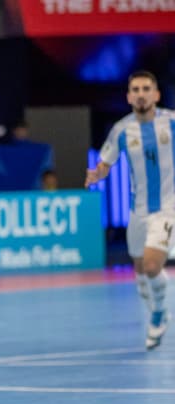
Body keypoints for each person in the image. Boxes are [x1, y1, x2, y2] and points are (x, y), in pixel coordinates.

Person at [85, 70, 175, 351]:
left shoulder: (171, 123)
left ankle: (159, 314)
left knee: (151, 265)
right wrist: (97, 175)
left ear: (156, 94)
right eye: (135, 89)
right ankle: (154, 304)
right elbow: (105, 163)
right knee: (140, 270)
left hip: (168, 208)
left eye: (146, 88)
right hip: (137, 213)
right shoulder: (122, 130)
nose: (141, 93)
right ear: (128, 96)